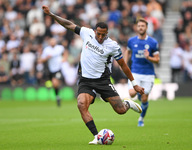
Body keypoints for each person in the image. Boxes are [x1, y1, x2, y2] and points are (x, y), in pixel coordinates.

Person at [42, 5, 144, 144]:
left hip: (103, 80)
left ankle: (127, 104)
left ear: (107, 33)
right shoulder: (86, 33)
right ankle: (97, 136)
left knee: (120, 110)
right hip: (86, 80)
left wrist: (135, 84)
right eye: (99, 34)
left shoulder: (112, 46)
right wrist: (52, 15)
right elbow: (68, 24)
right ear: (95, 31)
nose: (101, 37)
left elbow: (123, 65)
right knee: (81, 104)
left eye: (104, 34)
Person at [124, 18, 160, 127]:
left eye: (142, 26)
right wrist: (124, 64)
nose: (140, 27)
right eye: (139, 26)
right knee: (131, 93)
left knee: (144, 98)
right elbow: (128, 51)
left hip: (148, 74)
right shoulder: (131, 41)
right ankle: (137, 97)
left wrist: (148, 57)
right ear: (136, 27)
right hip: (135, 71)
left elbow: (157, 59)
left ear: (146, 28)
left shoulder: (153, 42)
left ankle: (141, 118)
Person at [39, 38, 68, 106]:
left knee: (55, 83)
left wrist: (64, 58)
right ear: (49, 43)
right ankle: (57, 96)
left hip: (58, 68)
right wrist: (47, 58)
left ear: (55, 42)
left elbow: (65, 52)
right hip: (49, 69)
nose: (52, 43)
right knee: (50, 84)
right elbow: (41, 60)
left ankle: (57, 95)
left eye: (53, 41)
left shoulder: (60, 48)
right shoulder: (47, 50)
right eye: (51, 42)